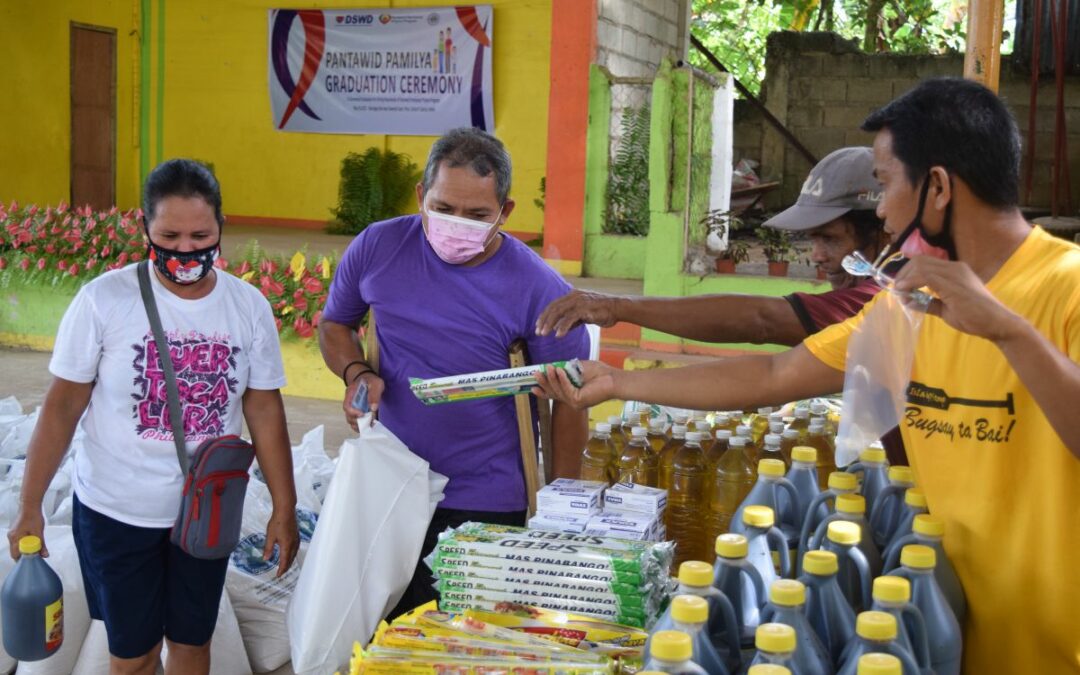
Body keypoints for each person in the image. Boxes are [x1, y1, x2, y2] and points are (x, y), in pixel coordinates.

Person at [537, 78, 1080, 674]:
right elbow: (775, 373)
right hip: (926, 636)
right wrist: (617, 383)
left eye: (885, 183)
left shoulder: (1067, 288)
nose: (880, 208)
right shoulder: (908, 304)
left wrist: (1009, 330)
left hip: (1051, 646)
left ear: (939, 187)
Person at [6, 159, 300, 675]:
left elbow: (263, 407)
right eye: (169, 235)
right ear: (145, 228)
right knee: (134, 655)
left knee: (191, 646)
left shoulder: (247, 306)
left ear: (221, 228)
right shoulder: (104, 301)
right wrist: (30, 504)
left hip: (206, 512)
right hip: (117, 512)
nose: (185, 249)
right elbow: (63, 407)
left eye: (199, 234)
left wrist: (284, 505)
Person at [318, 127, 590, 618]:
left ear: (505, 212)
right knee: (388, 635)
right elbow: (335, 324)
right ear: (422, 195)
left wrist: (561, 509)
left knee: (466, 640)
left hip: (486, 493)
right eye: (443, 209)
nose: (456, 224)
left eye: (477, 215)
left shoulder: (541, 290)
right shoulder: (379, 247)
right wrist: (356, 370)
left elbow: (573, 397)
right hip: (390, 484)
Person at [535, 146, 890, 347]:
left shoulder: (880, 298)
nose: (817, 255)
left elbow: (761, 321)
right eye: (813, 239)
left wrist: (617, 308)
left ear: (884, 232)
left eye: (830, 238)